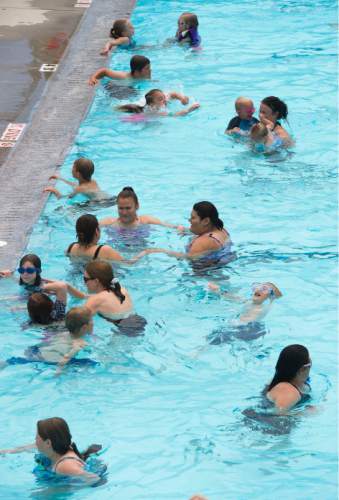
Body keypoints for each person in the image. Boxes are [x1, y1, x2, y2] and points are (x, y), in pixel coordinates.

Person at [0, 417, 103, 482]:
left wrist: (68, 489)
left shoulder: (64, 465)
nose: (35, 440)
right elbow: (19, 449)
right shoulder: (57, 446)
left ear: (48, 443)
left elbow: (95, 479)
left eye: (37, 437)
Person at [6, 307, 97, 371]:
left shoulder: (62, 334)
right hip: (52, 361)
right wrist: (59, 371)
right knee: (91, 363)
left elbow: (45, 344)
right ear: (84, 327)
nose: (93, 323)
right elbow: (64, 360)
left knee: (18, 361)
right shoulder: (80, 342)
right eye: (92, 321)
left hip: (38, 353)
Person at [67, 261, 146, 334]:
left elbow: (80, 325)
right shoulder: (120, 288)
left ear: (96, 281)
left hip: (125, 329)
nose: (85, 283)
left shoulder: (95, 300)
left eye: (85, 279)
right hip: (138, 321)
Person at [144, 201, 233, 263]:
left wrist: (161, 251)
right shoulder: (221, 229)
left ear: (206, 221)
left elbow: (189, 258)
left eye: (193, 218)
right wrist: (187, 231)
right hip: (219, 264)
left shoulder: (202, 242)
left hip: (203, 273)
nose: (189, 220)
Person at [207, 281, 282, 343]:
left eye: (264, 289)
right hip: (238, 327)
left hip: (248, 329)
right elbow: (233, 297)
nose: (258, 290)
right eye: (257, 287)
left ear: (269, 296)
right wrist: (218, 291)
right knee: (211, 338)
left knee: (212, 340)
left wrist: (270, 287)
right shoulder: (248, 302)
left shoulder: (264, 307)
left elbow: (279, 296)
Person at [66, 214, 143, 263]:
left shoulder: (71, 247)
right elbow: (128, 264)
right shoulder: (104, 249)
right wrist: (144, 252)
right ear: (96, 231)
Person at [100, 187, 181, 230]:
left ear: (137, 206)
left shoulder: (146, 221)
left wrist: (180, 229)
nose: (124, 212)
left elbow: (172, 227)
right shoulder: (109, 223)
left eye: (128, 208)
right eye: (121, 208)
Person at [265, 344, 312, 410]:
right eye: (310, 361)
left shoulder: (280, 378)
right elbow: (279, 415)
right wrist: (306, 413)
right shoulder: (288, 391)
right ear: (303, 368)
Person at [117, 89, 200, 116]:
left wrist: (182, 98)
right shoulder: (155, 111)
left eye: (163, 97)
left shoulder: (163, 100)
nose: (164, 99)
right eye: (160, 99)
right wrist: (190, 109)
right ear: (152, 103)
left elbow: (172, 94)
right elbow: (175, 115)